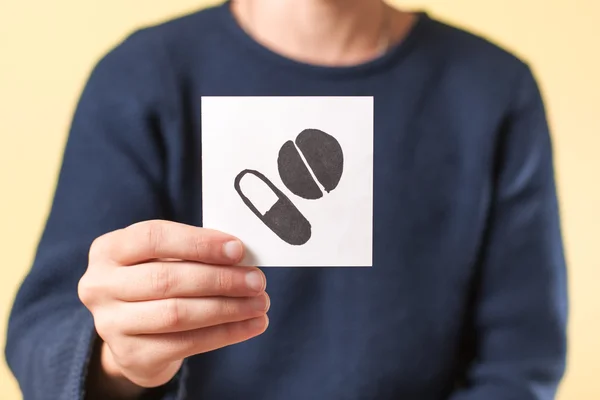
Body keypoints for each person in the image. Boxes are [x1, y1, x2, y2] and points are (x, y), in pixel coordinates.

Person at [5, 0, 568, 399]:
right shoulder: (139, 80)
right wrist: (117, 361)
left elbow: (523, 358)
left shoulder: (494, 91)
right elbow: (43, 336)